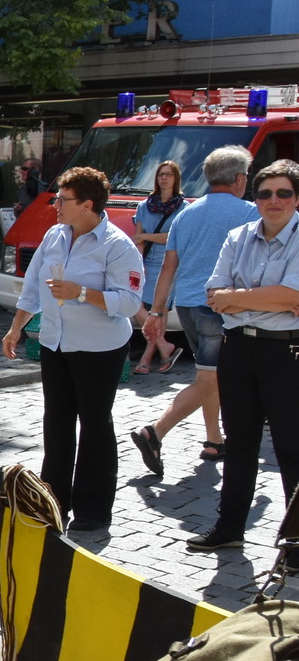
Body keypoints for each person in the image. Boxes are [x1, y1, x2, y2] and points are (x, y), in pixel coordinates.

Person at [0, 167, 143, 532]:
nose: (56, 205)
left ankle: (94, 512)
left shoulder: (117, 245)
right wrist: (16, 328)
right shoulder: (54, 235)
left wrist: (80, 293)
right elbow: (32, 285)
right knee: (57, 424)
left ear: (87, 204)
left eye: (63, 200)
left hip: (99, 349)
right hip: (55, 342)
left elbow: (129, 303)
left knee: (95, 426)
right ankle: (54, 503)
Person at [183, 160, 299, 552]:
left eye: (283, 193)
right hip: (238, 350)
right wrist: (268, 298)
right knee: (240, 443)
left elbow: (293, 296)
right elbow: (214, 295)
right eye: (265, 193)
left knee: (291, 447)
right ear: (254, 197)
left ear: (296, 198)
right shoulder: (238, 235)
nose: (273, 201)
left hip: (287, 351)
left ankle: (297, 541)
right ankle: (229, 528)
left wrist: (240, 299)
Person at [130, 146, 255, 479]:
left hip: (186, 304)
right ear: (241, 178)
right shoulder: (249, 212)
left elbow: (168, 267)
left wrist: (157, 312)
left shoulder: (185, 213)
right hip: (222, 306)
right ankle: (154, 432)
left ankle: (214, 440)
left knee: (207, 374)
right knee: (209, 378)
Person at [129, 160, 184, 374]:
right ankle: (163, 347)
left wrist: (145, 235)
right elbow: (137, 238)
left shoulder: (184, 207)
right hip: (147, 262)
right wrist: (138, 263)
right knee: (139, 307)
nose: (164, 178)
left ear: (175, 178)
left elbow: (174, 238)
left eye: (169, 174)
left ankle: (147, 357)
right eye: (161, 174)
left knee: (159, 311)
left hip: (169, 263)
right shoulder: (145, 205)